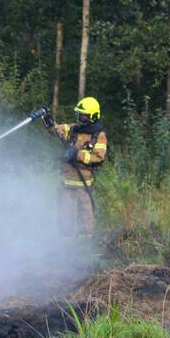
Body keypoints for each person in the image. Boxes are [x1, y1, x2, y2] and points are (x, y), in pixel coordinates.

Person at [45, 96, 107, 236]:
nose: (80, 118)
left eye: (83, 115)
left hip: (85, 189)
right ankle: (67, 251)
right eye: (78, 114)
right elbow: (57, 131)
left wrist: (77, 155)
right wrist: (49, 122)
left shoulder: (99, 136)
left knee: (86, 225)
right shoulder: (73, 129)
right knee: (65, 224)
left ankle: (85, 251)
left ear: (92, 116)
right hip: (67, 187)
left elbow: (99, 158)